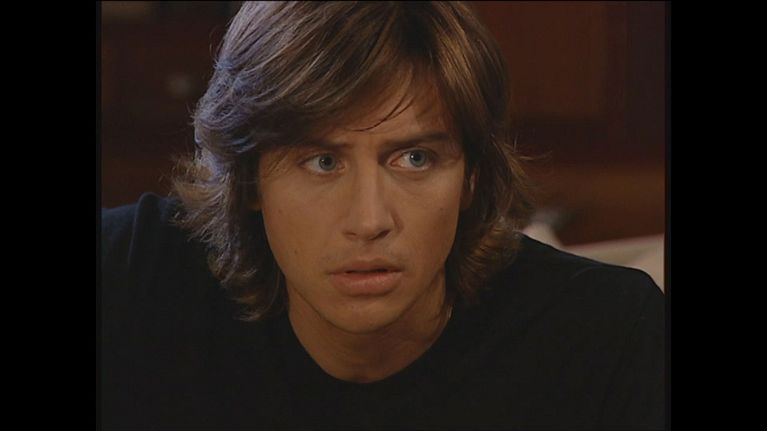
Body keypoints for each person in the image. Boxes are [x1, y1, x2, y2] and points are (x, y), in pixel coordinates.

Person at [100, 2, 665, 430]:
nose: (369, 220)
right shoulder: (128, 279)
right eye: (323, 162)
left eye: (414, 159)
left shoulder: (607, 338)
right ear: (248, 180)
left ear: (471, 176)